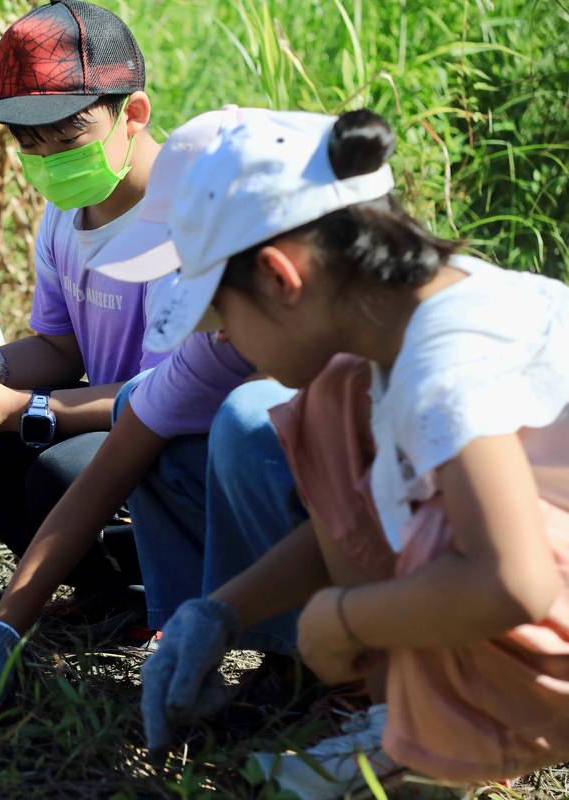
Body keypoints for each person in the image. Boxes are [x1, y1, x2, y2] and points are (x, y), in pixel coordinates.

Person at [97, 108, 569, 792]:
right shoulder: (403, 330)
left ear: (281, 278)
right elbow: (357, 518)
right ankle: (399, 723)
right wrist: (221, 610)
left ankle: (436, 743)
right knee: (331, 405)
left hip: (545, 611)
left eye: (220, 315)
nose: (224, 340)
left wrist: (341, 617)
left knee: (440, 540)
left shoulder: (450, 364)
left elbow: (512, 581)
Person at [0, 109, 304, 731]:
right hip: (348, 568)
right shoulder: (215, 349)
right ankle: (286, 660)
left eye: (195, 296)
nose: (191, 320)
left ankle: (342, 678)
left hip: (439, 609)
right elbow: (111, 467)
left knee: (240, 422)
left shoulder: (399, 360)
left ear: (274, 274)